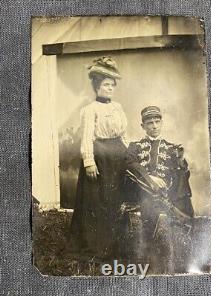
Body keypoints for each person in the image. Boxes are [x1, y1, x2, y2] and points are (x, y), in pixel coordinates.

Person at [70, 56, 128, 261]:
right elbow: (87, 138)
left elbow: (123, 136)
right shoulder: (90, 110)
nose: (110, 88)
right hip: (100, 157)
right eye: (106, 84)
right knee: (98, 202)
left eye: (112, 84)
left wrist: (129, 156)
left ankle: (115, 244)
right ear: (96, 86)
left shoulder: (118, 107)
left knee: (116, 199)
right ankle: (96, 247)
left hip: (117, 156)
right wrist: (89, 162)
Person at [125, 106, 194, 272]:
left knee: (179, 216)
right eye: (149, 123)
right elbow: (128, 164)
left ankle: (175, 260)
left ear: (162, 123)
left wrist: (180, 160)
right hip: (142, 192)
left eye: (157, 122)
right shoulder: (135, 146)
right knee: (148, 210)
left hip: (167, 194)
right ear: (143, 126)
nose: (154, 126)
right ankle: (146, 260)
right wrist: (150, 179)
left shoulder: (171, 148)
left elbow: (181, 174)